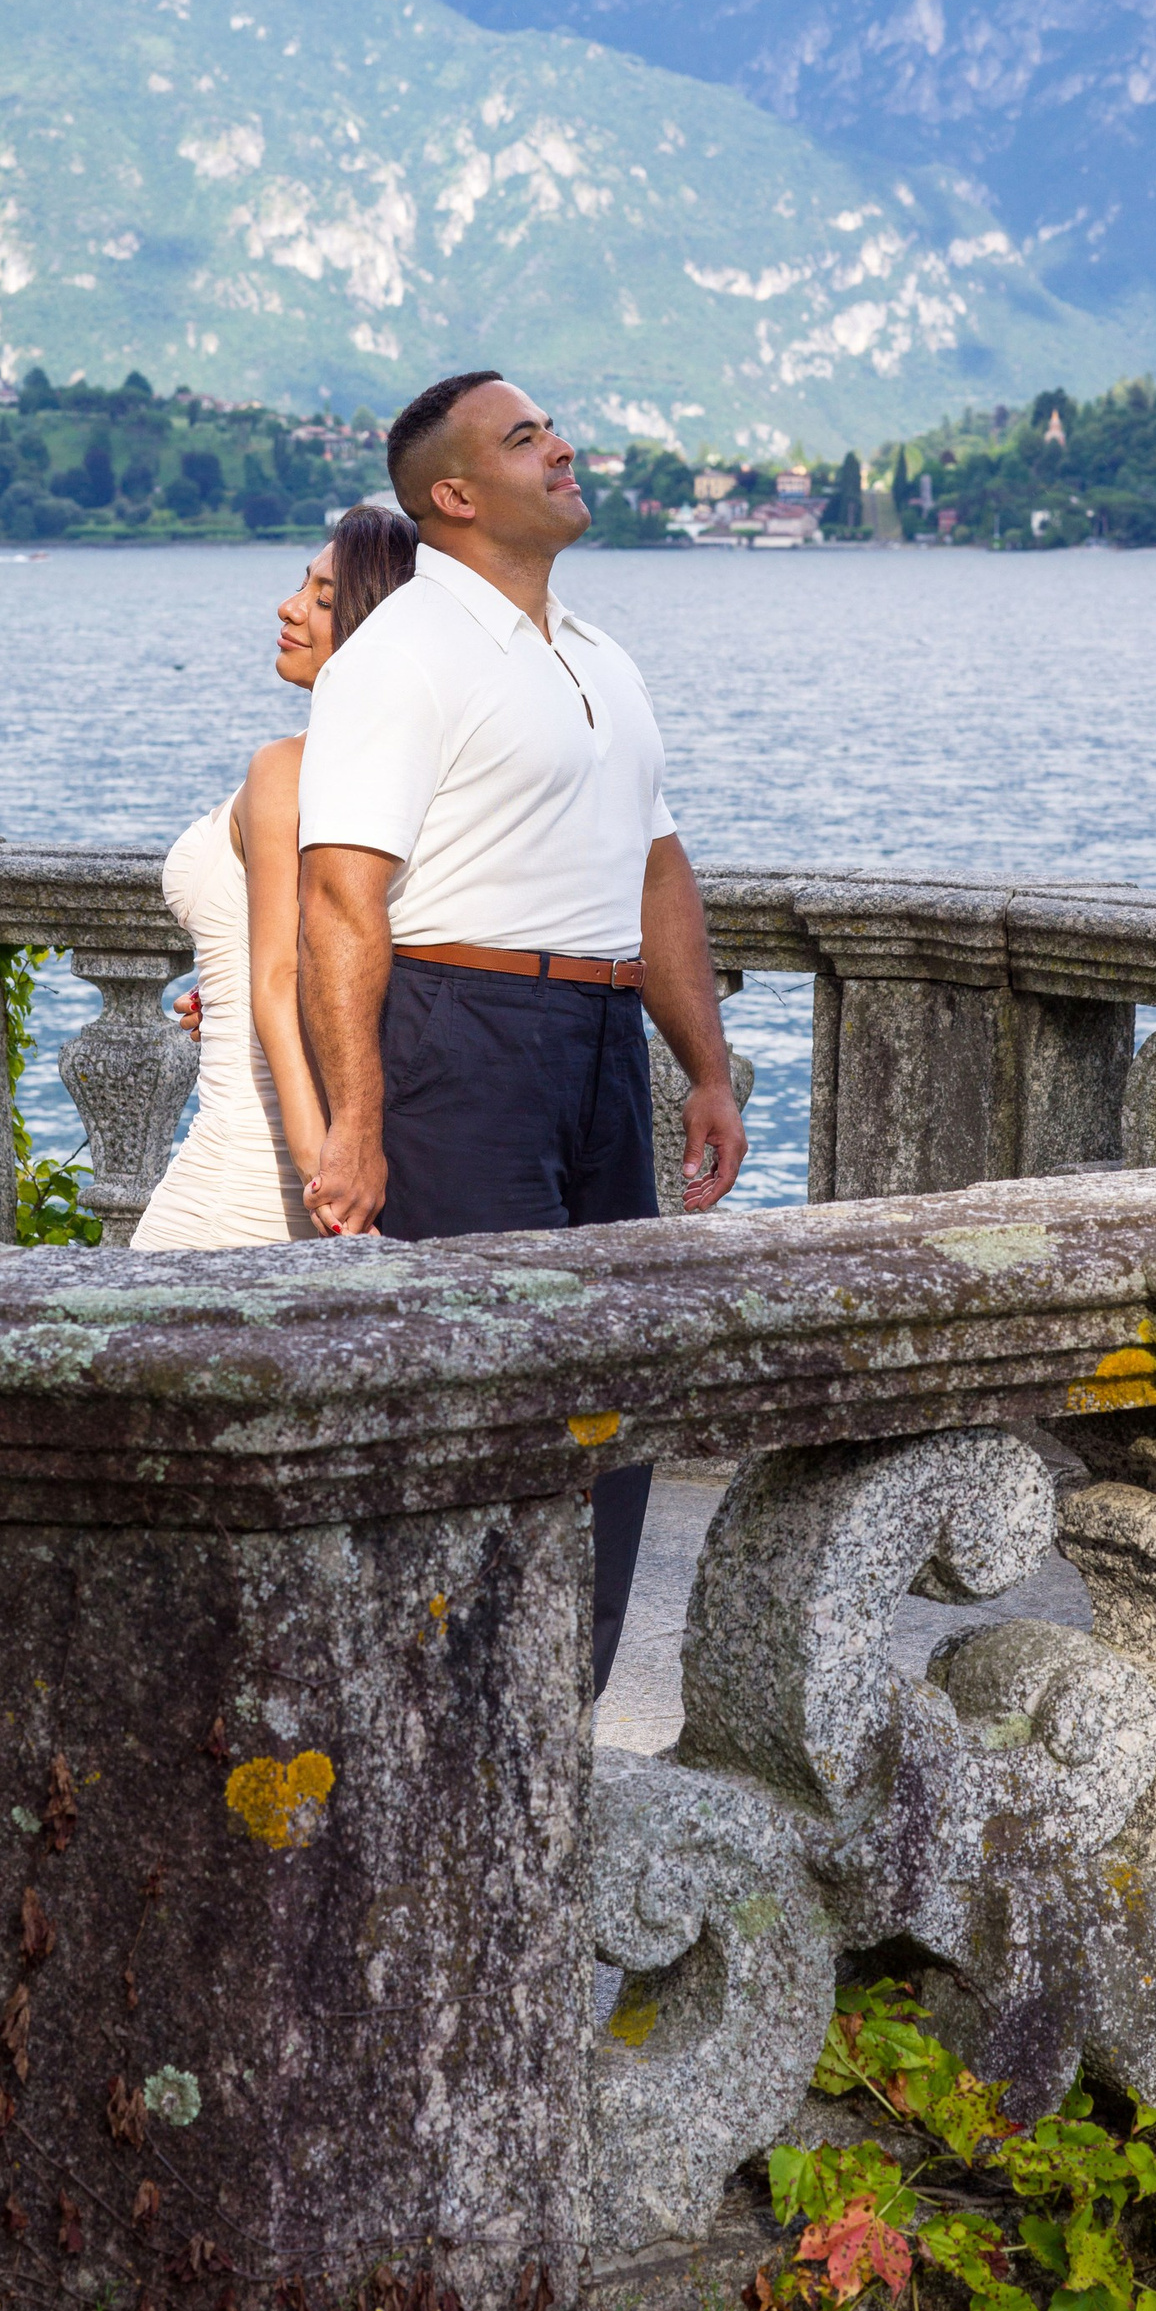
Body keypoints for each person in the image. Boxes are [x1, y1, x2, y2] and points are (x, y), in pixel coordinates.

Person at [293, 369, 746, 1688]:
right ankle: (452, 1707)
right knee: (485, 1395)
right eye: (526, 437)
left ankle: (567, 1710)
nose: (560, 449)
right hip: (462, 1035)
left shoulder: (600, 658)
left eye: (548, 429)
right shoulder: (400, 657)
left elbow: (658, 871)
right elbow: (340, 897)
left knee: (617, 1386)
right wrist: (358, 1121)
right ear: (455, 495)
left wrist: (703, 1070)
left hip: (602, 1045)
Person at [130, 504, 418, 1251]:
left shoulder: (288, 770)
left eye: (325, 597)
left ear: (372, 629)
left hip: (246, 1177)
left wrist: (322, 1185)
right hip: (301, 1154)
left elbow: (282, 980)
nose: (289, 606)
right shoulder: (383, 773)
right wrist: (220, 989)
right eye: (303, 584)